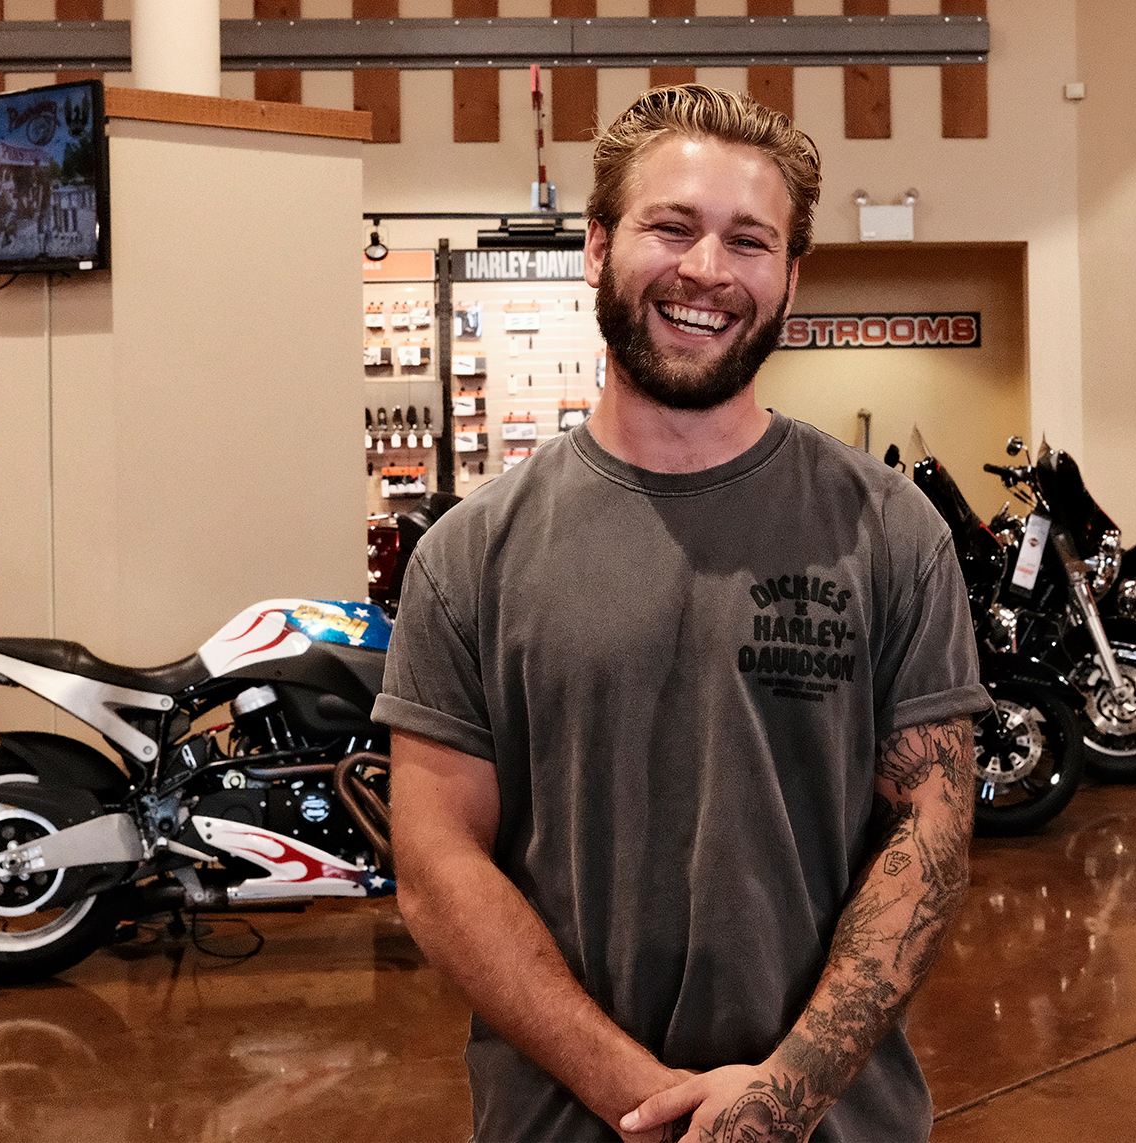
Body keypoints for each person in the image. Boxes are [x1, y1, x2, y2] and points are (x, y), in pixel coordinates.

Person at [375, 84, 989, 1143]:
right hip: (566, 1123)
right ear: (597, 248)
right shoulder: (470, 557)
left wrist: (781, 1091)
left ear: (792, 279)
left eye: (750, 241)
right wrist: (641, 1096)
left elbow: (927, 833)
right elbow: (438, 871)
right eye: (673, 227)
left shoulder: (889, 532)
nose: (707, 270)